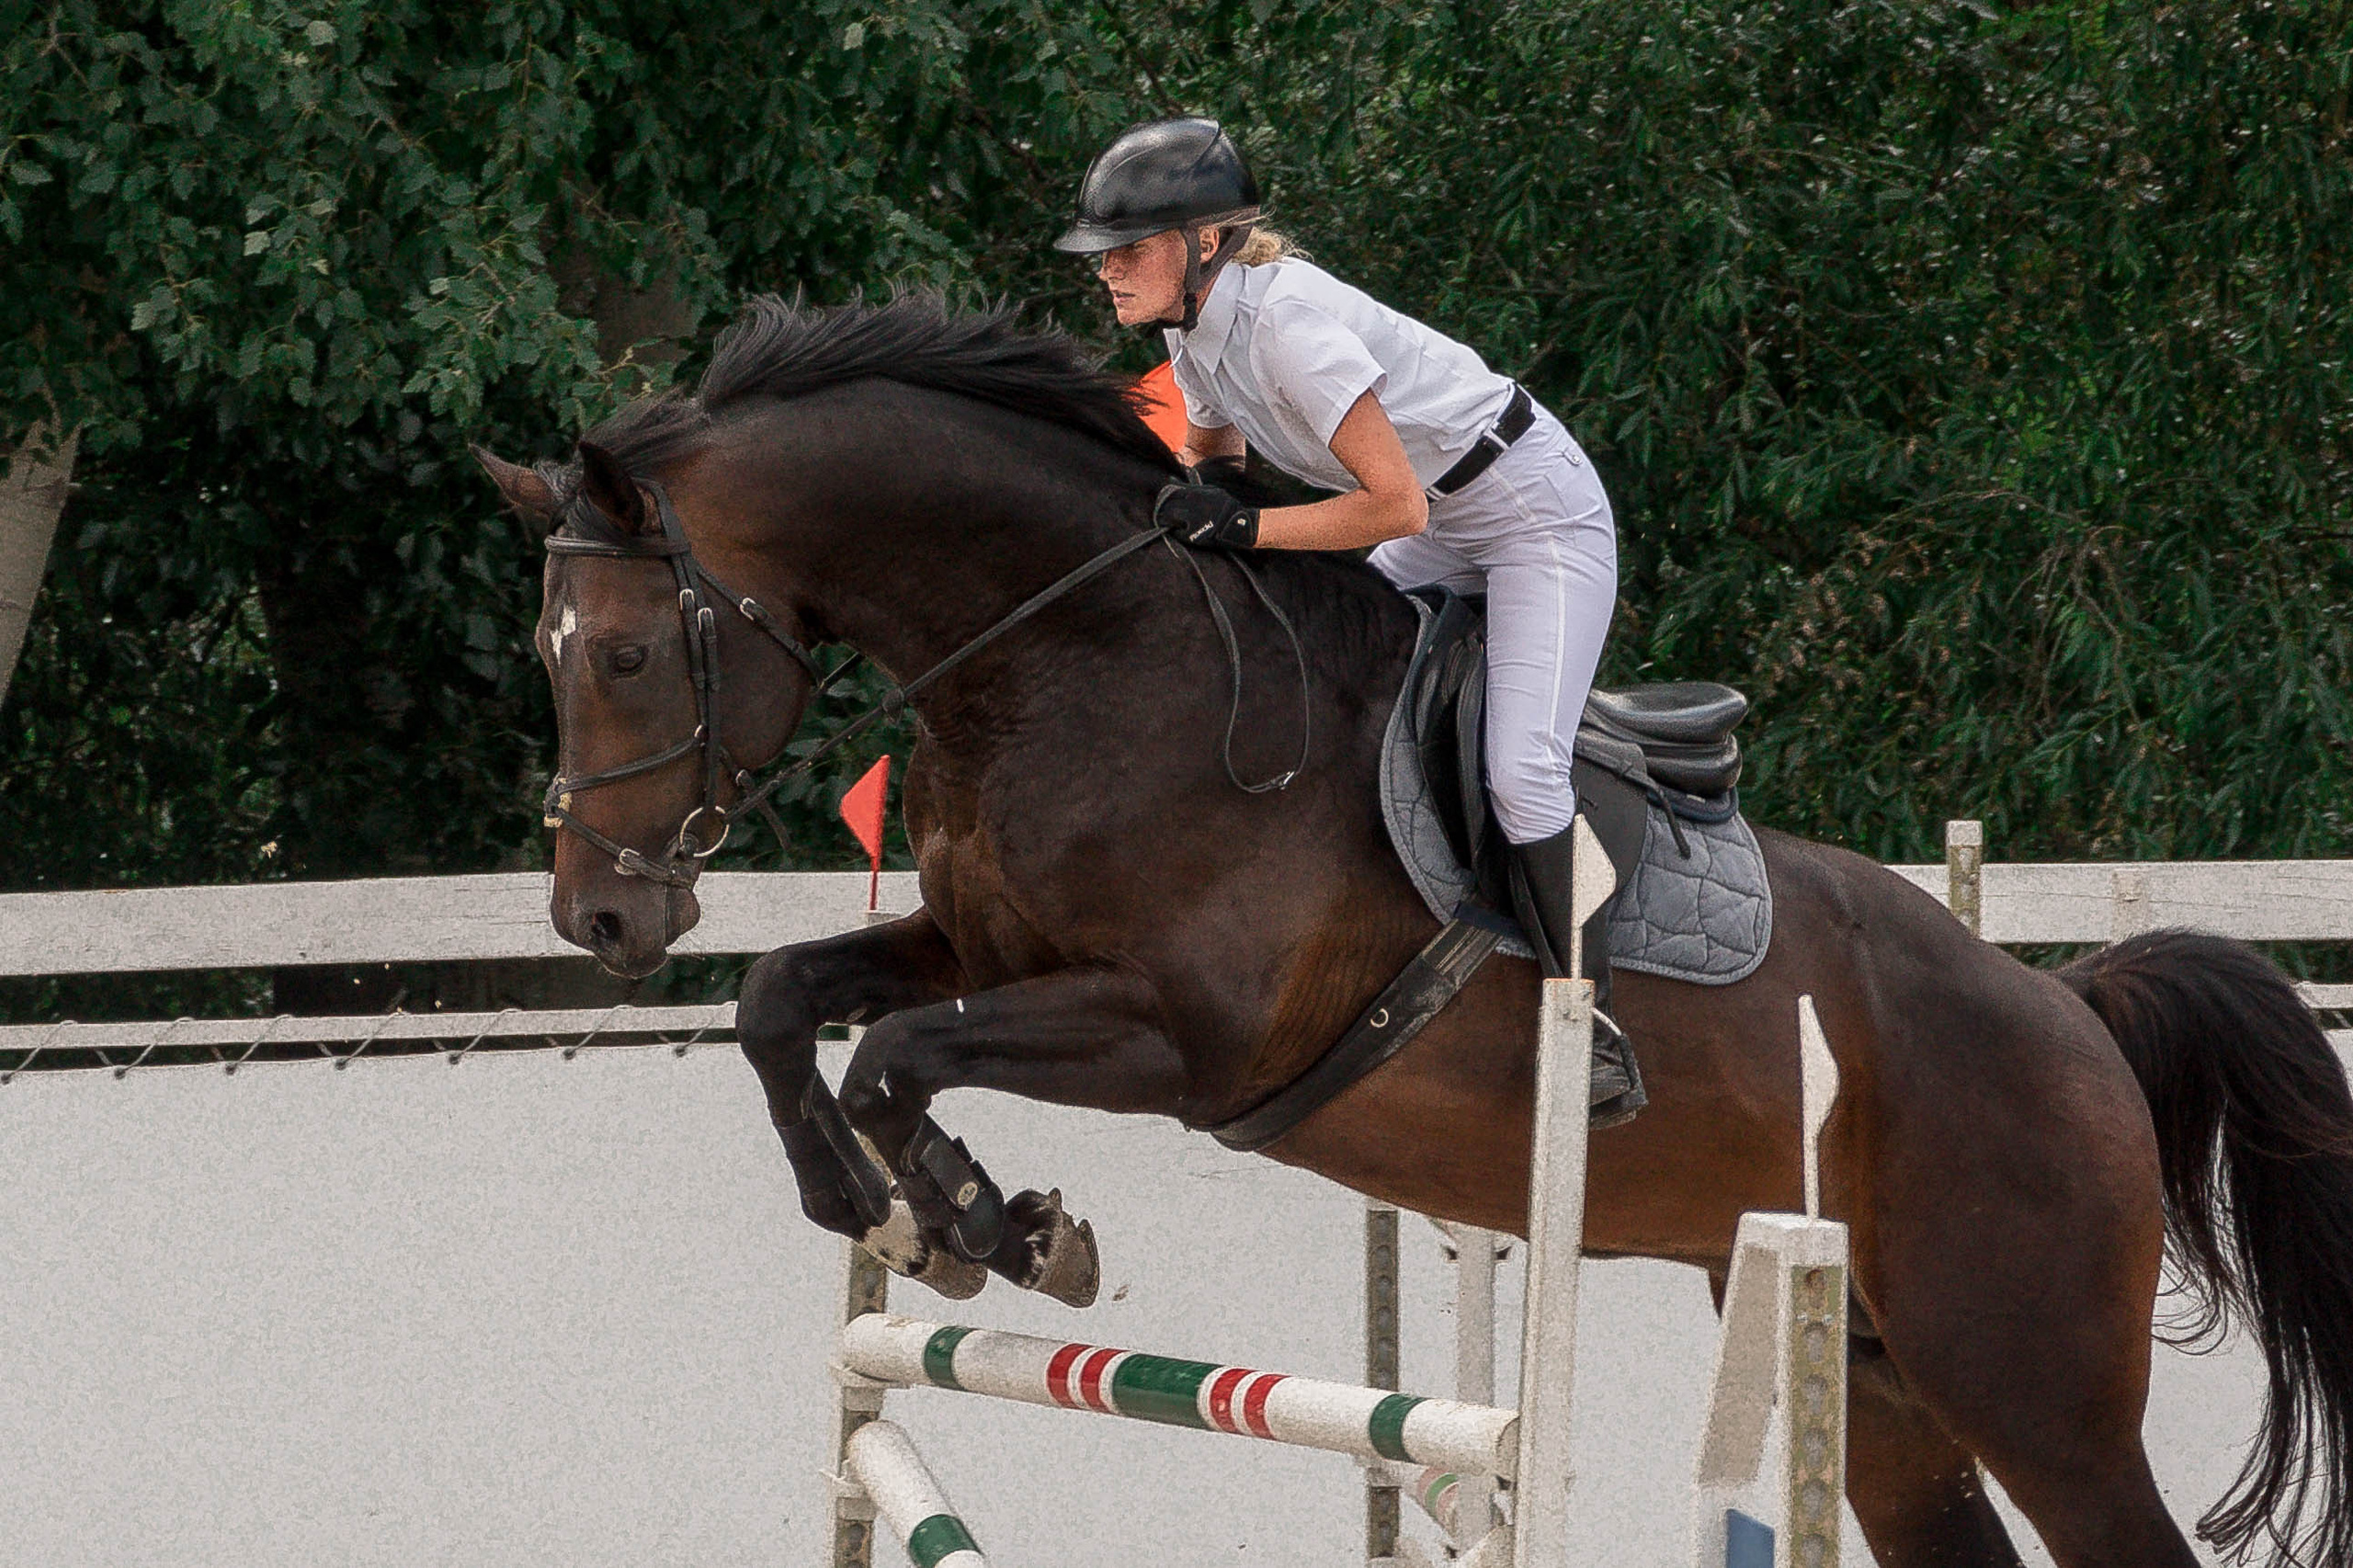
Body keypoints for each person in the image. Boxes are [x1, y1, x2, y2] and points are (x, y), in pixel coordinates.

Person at [1054, 117, 1641, 1121]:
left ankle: (1587, 1020)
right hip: (1446, 516)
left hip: (1530, 516)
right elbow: (1215, 458)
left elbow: (1392, 507)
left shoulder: (1285, 320)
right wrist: (1191, 508)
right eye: (1102, 253)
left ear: (1205, 242)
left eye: (1129, 249)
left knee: (1521, 767)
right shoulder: (1193, 328)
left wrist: (1241, 525)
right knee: (1335, 687)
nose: (1106, 270)